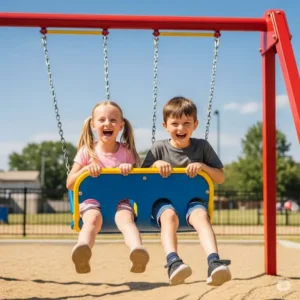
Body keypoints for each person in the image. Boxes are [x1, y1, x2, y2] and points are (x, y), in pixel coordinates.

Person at [142, 96, 231, 286]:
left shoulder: (202, 147)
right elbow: (143, 179)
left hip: (193, 202)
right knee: (169, 216)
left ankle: (214, 262)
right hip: (162, 202)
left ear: (195, 124)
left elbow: (220, 177)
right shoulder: (159, 148)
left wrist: (203, 167)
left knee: (201, 215)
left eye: (186, 123)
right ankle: (173, 262)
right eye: (175, 123)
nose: (180, 129)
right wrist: (156, 164)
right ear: (165, 125)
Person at [66, 100, 149, 274]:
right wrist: (85, 170)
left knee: (126, 219)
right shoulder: (86, 151)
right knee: (92, 219)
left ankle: (137, 251)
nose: (107, 124)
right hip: (91, 202)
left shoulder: (127, 152)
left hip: (121, 202)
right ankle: (83, 250)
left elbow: (139, 183)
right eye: (102, 120)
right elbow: (70, 183)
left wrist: (130, 169)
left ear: (121, 126)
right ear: (93, 125)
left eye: (112, 120)